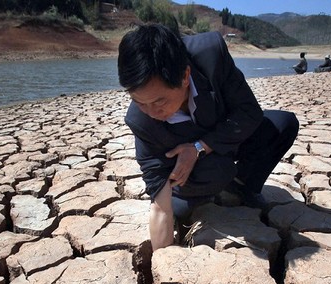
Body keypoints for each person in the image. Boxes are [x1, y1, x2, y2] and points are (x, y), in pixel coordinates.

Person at [118, 24, 299, 251]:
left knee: (282, 125)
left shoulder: (211, 55)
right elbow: (160, 208)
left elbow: (249, 112)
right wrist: (163, 266)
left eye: (160, 102)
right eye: (139, 102)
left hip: (225, 134)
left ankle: (242, 186)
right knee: (212, 177)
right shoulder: (140, 121)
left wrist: (198, 147)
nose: (152, 112)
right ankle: (197, 196)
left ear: (185, 76)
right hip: (190, 176)